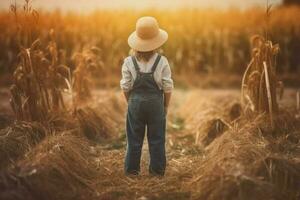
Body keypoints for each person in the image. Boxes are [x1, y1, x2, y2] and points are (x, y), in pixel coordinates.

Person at [120, 16, 174, 176]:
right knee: (157, 140)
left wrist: (130, 102)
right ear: (156, 41)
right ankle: (157, 172)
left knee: (134, 140)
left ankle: (131, 172)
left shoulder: (128, 62)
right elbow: (168, 87)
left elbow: (125, 86)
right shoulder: (162, 61)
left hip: (135, 103)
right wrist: (165, 106)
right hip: (156, 104)